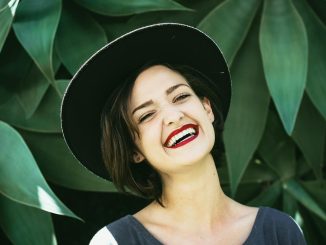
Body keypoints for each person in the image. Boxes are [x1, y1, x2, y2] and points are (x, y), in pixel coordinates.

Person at [61, 23, 306, 244]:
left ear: (207, 108)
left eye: (180, 96)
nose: (174, 116)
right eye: (147, 115)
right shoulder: (115, 242)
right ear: (133, 150)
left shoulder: (280, 232)